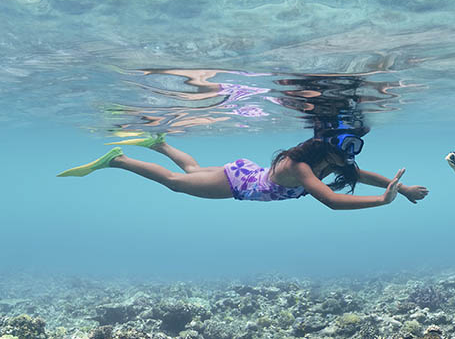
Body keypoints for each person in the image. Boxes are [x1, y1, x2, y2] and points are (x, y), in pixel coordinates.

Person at [56, 119, 429, 210]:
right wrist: (382, 201)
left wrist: (405, 189)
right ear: (325, 147)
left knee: (190, 170)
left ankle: (161, 142)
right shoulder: (302, 168)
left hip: (245, 172)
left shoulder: (327, 160)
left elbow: (360, 174)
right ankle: (118, 160)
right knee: (174, 182)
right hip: (241, 185)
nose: (349, 158)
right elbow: (330, 200)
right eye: (343, 150)